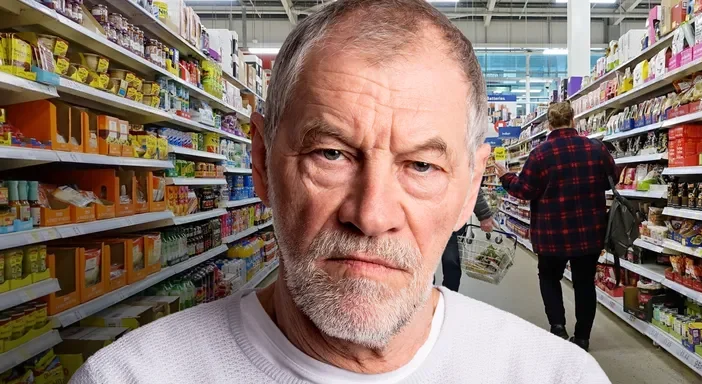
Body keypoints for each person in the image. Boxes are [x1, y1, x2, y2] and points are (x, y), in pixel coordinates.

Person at [70, 1, 610, 383]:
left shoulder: (557, 376)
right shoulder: (130, 377)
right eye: (330, 154)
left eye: (421, 165)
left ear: (470, 187)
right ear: (260, 162)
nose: (372, 215)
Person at [495, 102, 618, 352]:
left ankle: (558, 328)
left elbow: (524, 191)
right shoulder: (596, 148)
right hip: (588, 232)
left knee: (549, 278)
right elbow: (612, 180)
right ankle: (582, 337)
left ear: (549, 125)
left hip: (553, 234)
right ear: (573, 121)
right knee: (584, 283)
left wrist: (505, 177)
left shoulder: (540, 154)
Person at [439, 190, 495, 291]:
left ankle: (449, 298)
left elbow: (472, 183)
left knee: (451, 262)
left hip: (452, 219)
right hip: (418, 218)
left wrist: (484, 214)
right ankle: (421, 300)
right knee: (418, 265)